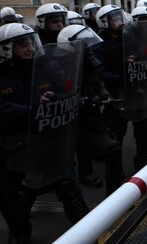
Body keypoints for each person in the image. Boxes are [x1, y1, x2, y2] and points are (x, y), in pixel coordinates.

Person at [0, 23, 89, 242]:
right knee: (13, 196)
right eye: (22, 44)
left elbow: (64, 89)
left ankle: (90, 230)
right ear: (6, 48)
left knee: (68, 185)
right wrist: (31, 109)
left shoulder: (43, 67)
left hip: (48, 140)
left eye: (31, 42)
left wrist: (61, 99)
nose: (30, 48)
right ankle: (20, 233)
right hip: (14, 146)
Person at [57, 24, 124, 196]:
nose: (88, 47)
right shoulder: (60, 66)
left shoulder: (88, 62)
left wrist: (104, 95)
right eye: (83, 43)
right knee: (72, 155)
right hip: (68, 121)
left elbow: (98, 82)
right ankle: (84, 174)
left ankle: (115, 191)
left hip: (91, 116)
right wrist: (80, 101)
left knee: (112, 147)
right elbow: (58, 93)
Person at [95, 4, 147, 171]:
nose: (119, 22)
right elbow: (102, 72)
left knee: (144, 128)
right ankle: (115, 172)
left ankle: (143, 164)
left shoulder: (130, 36)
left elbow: (143, 55)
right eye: (114, 19)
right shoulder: (100, 44)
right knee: (116, 134)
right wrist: (123, 73)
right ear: (104, 22)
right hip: (115, 94)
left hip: (136, 90)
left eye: (120, 17)